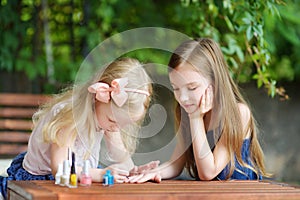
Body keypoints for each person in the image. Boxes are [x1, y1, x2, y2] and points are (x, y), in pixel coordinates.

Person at [0, 57, 158, 199]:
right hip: (44, 180)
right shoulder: (69, 117)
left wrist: (133, 172)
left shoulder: (109, 120)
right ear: (99, 99)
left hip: (78, 176)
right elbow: (59, 169)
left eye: (123, 125)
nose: (115, 128)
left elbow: (121, 158)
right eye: (112, 120)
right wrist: (102, 173)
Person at [128, 38, 270, 183]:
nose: (183, 98)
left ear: (215, 81)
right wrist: (153, 172)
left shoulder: (238, 113)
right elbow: (175, 165)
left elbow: (208, 172)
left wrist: (196, 118)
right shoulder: (189, 113)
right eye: (176, 88)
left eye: (192, 88)